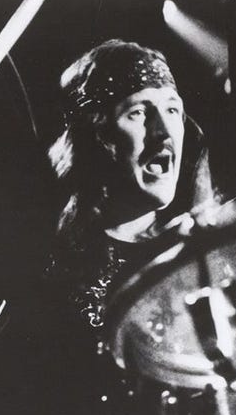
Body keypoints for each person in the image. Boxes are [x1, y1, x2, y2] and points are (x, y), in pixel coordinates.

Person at [47, 38, 216, 329]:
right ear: (96, 136)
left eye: (172, 110)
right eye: (138, 112)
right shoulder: (55, 265)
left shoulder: (201, 247)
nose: (164, 133)